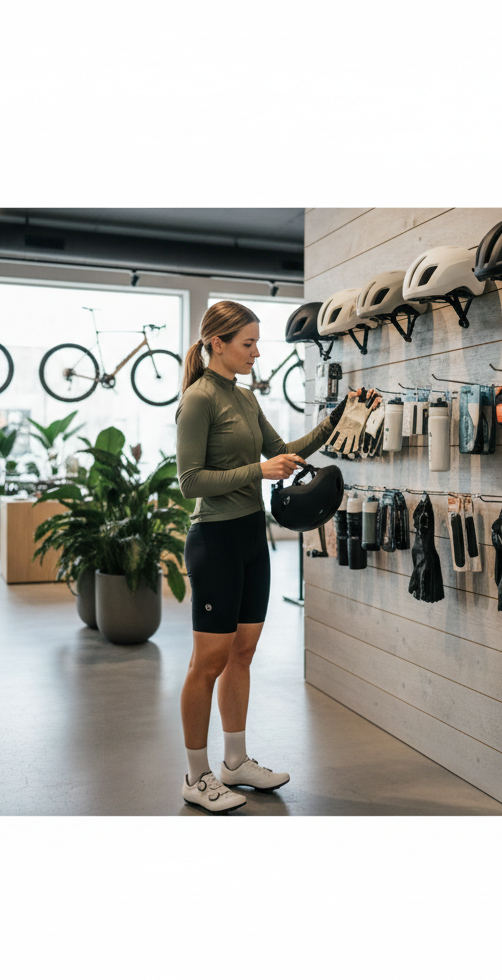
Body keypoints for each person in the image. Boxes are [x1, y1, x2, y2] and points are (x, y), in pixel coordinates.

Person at [174, 299, 378, 813]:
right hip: (214, 540)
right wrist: (256, 473)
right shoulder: (199, 399)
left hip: (250, 538)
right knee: (208, 662)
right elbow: (189, 482)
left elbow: (282, 448)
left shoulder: (243, 399)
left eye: (257, 342)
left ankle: (235, 762)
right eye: (248, 344)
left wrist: (338, 419)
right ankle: (196, 776)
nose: (256, 353)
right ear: (216, 344)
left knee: (242, 653)